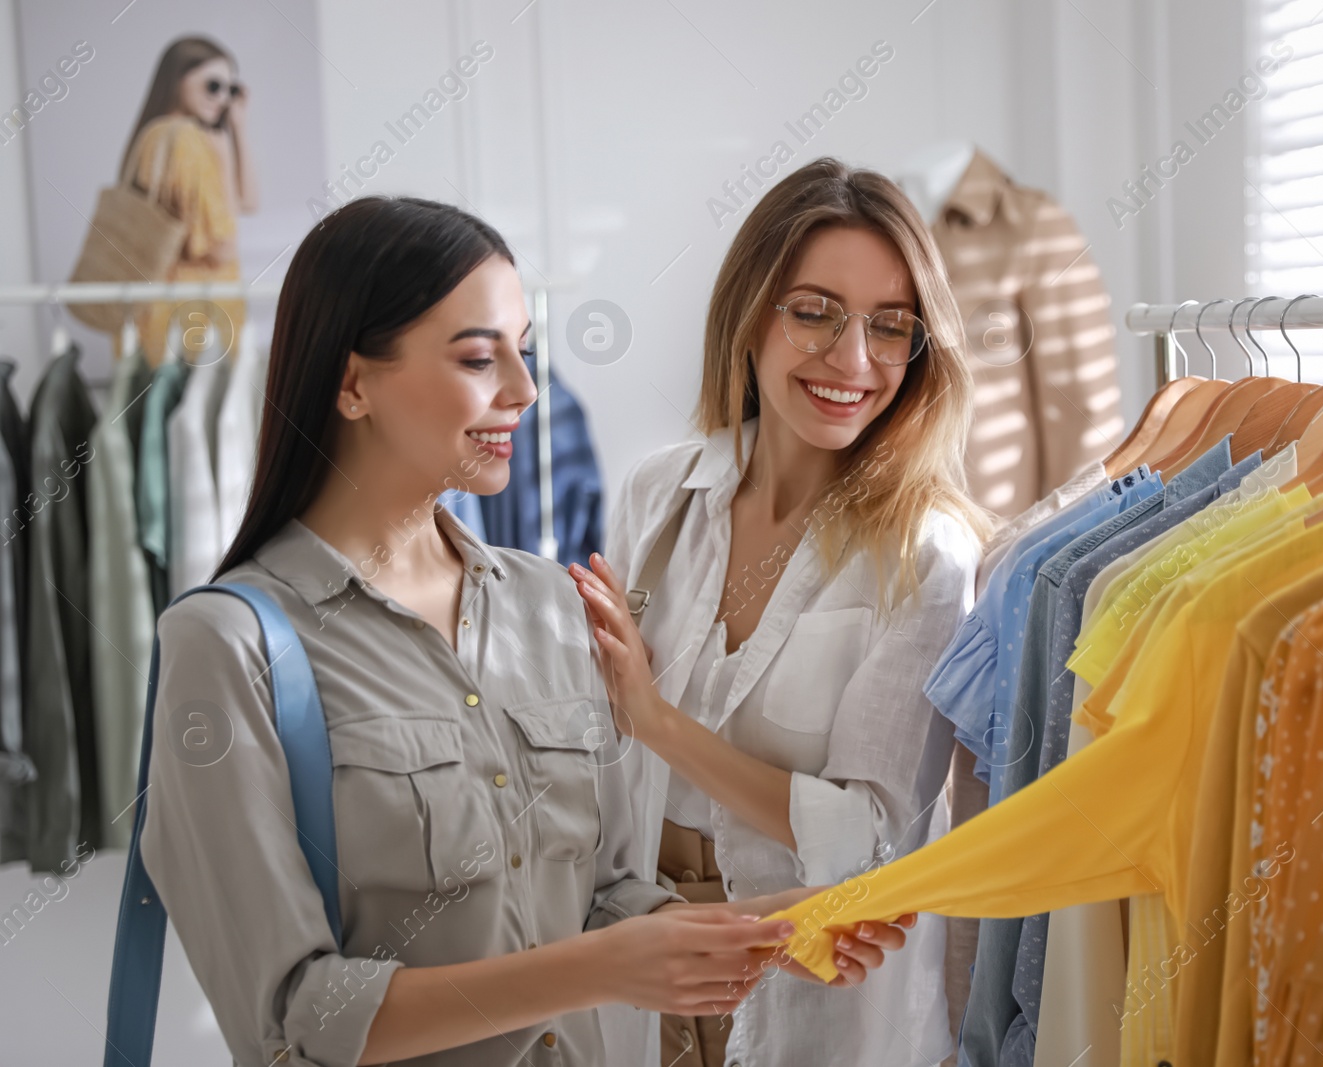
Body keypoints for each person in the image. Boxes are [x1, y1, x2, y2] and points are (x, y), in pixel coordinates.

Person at [140, 196, 908, 1067]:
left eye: (525, 351)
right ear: (352, 383)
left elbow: (610, 896)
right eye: (479, 357)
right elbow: (291, 1015)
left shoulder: (552, 606)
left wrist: (764, 931)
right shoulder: (227, 647)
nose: (525, 390)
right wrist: (594, 967)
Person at [569, 158, 991, 1067]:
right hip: (645, 961)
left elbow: (865, 841)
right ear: (749, 313)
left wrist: (661, 722)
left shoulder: (925, 555)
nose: (854, 360)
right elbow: (605, 756)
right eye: (814, 312)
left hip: (811, 994)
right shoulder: (661, 494)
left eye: (891, 326)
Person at [117, 36, 257, 361]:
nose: (223, 99)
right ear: (178, 79)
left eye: (230, 89)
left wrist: (238, 130)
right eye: (213, 86)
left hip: (162, 317)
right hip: (194, 321)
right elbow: (223, 246)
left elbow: (247, 203)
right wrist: (223, 163)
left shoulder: (153, 134)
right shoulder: (184, 139)